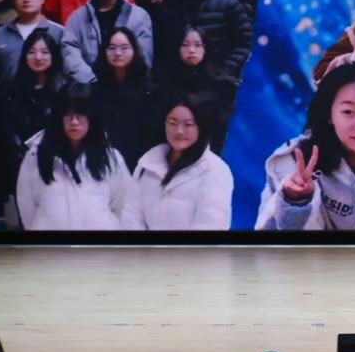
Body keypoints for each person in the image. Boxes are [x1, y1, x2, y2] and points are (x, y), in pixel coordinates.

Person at [257, 62, 355, 230]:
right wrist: (294, 201)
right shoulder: (291, 163)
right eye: (348, 112)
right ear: (329, 115)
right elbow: (267, 234)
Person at [158, 0, 252, 151]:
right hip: (177, 87)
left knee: (211, 149)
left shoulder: (228, 4)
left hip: (217, 87)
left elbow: (243, 43)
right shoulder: (168, 7)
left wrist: (224, 73)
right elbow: (162, 48)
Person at [15, 83, 131, 230]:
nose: (74, 121)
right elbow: (27, 207)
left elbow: (124, 207)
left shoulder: (111, 158)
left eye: (81, 114)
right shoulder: (35, 157)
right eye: (67, 114)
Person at [123, 93, 234, 230]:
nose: (179, 131)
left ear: (201, 127)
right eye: (173, 123)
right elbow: (131, 217)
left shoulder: (215, 171)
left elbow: (212, 224)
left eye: (188, 125)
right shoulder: (147, 163)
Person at [0, 30, 65, 226]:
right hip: (20, 164)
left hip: (55, 165)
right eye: (32, 52)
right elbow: (6, 128)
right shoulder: (12, 88)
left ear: (54, 55)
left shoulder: (63, 88)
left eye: (44, 52)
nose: (38, 57)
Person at [61, 0, 154, 84]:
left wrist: (124, 79)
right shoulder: (78, 17)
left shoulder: (139, 16)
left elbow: (144, 55)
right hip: (89, 85)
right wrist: (90, 79)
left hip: (129, 85)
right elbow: (70, 50)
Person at [91, 27, 158, 171]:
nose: (118, 53)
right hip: (105, 161)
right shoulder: (94, 91)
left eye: (124, 48)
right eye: (112, 48)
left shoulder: (148, 91)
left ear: (134, 50)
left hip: (141, 161)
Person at [0, 0, 64, 87]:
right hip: (7, 96)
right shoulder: (0, 34)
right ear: (13, 0)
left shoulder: (59, 32)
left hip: (49, 96)